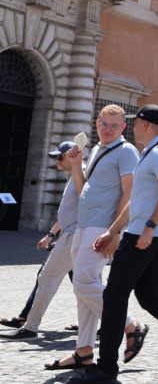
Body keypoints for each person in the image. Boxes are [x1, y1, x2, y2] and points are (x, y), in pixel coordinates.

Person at [69, 104, 158, 383]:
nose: (133, 128)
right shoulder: (154, 151)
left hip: (142, 237)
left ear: (144, 124)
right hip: (151, 235)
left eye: (134, 123)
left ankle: (106, 369)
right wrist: (113, 231)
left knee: (114, 295)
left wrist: (148, 227)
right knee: (149, 296)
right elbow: (137, 200)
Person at [52, 105, 143, 371]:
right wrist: (76, 165)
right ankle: (84, 351)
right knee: (84, 289)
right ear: (97, 123)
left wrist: (115, 231)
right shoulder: (97, 151)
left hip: (102, 227)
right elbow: (83, 190)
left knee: (83, 282)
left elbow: (130, 193)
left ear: (123, 127)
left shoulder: (126, 151)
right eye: (104, 124)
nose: (108, 129)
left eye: (114, 125)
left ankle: (130, 325)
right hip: (83, 224)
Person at [1, 141, 79, 344]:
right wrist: (51, 235)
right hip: (70, 237)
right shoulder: (72, 177)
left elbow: (85, 210)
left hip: (75, 237)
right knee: (82, 284)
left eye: (60, 157)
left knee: (56, 279)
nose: (57, 162)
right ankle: (27, 322)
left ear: (72, 155)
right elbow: (68, 212)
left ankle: (125, 324)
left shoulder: (81, 175)